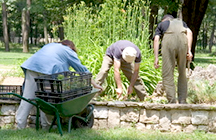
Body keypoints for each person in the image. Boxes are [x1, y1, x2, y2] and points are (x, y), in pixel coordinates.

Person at [16, 40, 103, 129]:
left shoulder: (51, 45)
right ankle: (46, 126)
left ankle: (20, 126)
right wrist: (95, 85)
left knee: (27, 97)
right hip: (47, 71)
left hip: (32, 67)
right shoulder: (68, 51)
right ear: (71, 47)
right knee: (46, 99)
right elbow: (81, 69)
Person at [153, 14, 193, 104]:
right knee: (182, 71)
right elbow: (189, 33)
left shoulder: (162, 24)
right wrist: (189, 50)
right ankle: (182, 99)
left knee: (167, 73)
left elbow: (156, 39)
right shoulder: (182, 23)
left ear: (164, 20)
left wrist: (156, 57)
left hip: (169, 41)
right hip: (183, 42)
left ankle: (172, 100)